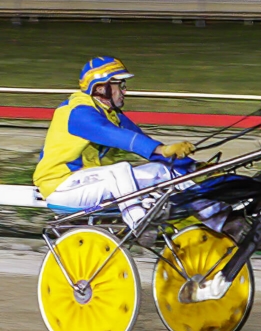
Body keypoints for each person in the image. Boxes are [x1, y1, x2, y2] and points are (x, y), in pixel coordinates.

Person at [33, 56, 197, 230]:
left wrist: (191, 166)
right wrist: (162, 149)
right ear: (101, 88)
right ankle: (139, 224)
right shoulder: (78, 113)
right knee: (120, 170)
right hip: (61, 188)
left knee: (162, 170)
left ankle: (214, 218)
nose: (125, 91)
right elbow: (117, 136)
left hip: (90, 182)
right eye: (120, 85)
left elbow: (143, 142)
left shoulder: (109, 113)